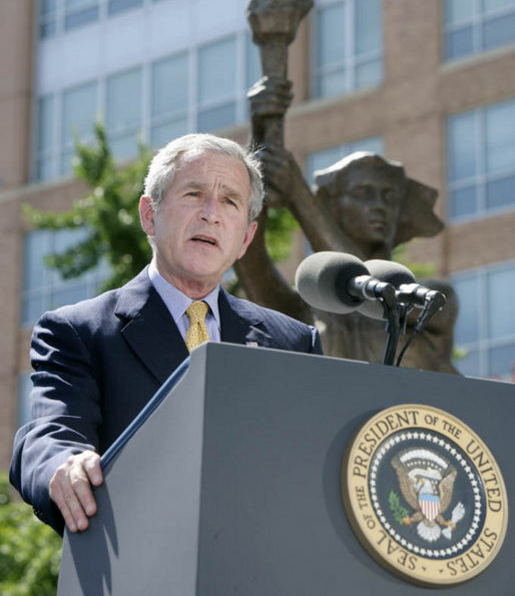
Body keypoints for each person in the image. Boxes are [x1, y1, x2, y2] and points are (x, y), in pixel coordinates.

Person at [9, 133, 322, 536]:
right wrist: (62, 465)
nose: (211, 213)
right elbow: (52, 434)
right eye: (194, 193)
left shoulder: (293, 343)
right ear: (149, 215)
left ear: (245, 238)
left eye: (230, 201)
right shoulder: (79, 332)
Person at [235, 79, 458, 373]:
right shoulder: (305, 311)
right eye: (363, 193)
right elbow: (247, 255)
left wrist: (298, 196)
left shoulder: (428, 299)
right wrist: (260, 134)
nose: (380, 205)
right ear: (331, 206)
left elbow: (375, 295)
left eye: (389, 197)